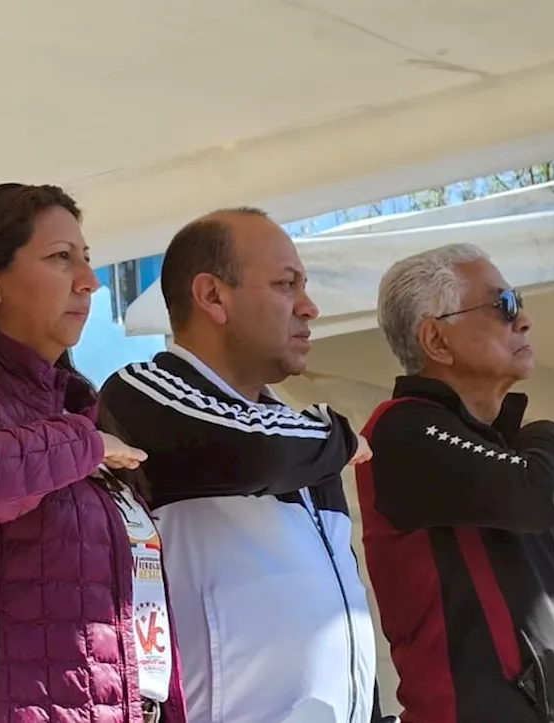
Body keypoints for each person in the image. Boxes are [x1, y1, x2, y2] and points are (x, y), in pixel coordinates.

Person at [100, 207, 393, 723]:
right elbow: (256, 451)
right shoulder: (143, 392)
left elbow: (339, 607)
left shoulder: (300, 433)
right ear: (213, 296)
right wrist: (337, 435)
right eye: (287, 285)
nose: (309, 307)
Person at [0, 182, 187, 723]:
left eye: (87, 260)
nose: (90, 282)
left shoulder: (81, 407)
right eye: (62, 259)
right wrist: (85, 443)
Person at [357, 243, 554, 722]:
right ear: (436, 341)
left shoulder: (502, 446)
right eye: (504, 304)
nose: (523, 320)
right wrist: (546, 434)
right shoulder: (401, 428)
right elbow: (540, 494)